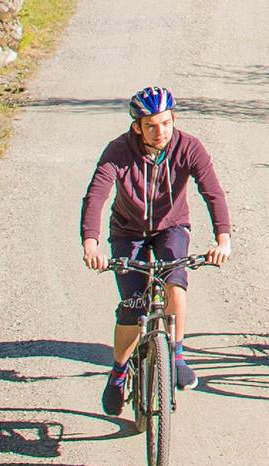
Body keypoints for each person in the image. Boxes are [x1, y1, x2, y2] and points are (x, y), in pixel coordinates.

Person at [79, 85, 234, 418]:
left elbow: (213, 193)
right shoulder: (118, 151)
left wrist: (223, 239)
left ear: (174, 119)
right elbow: (96, 195)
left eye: (165, 122)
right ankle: (119, 372)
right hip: (128, 232)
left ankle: (176, 355)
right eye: (150, 125)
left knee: (175, 281)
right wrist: (90, 243)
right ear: (137, 126)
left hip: (171, 227)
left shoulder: (189, 147)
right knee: (132, 307)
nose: (160, 131)